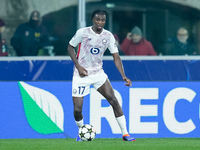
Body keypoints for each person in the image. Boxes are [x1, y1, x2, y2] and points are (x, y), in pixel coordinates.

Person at [68, 9, 135, 142]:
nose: (100, 22)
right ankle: (81, 132)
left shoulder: (108, 36)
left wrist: (123, 75)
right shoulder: (83, 32)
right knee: (77, 109)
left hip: (98, 74)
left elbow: (116, 57)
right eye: (98, 19)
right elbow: (70, 47)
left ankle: (125, 134)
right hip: (81, 75)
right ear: (92, 19)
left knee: (114, 100)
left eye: (103, 20)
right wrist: (79, 67)